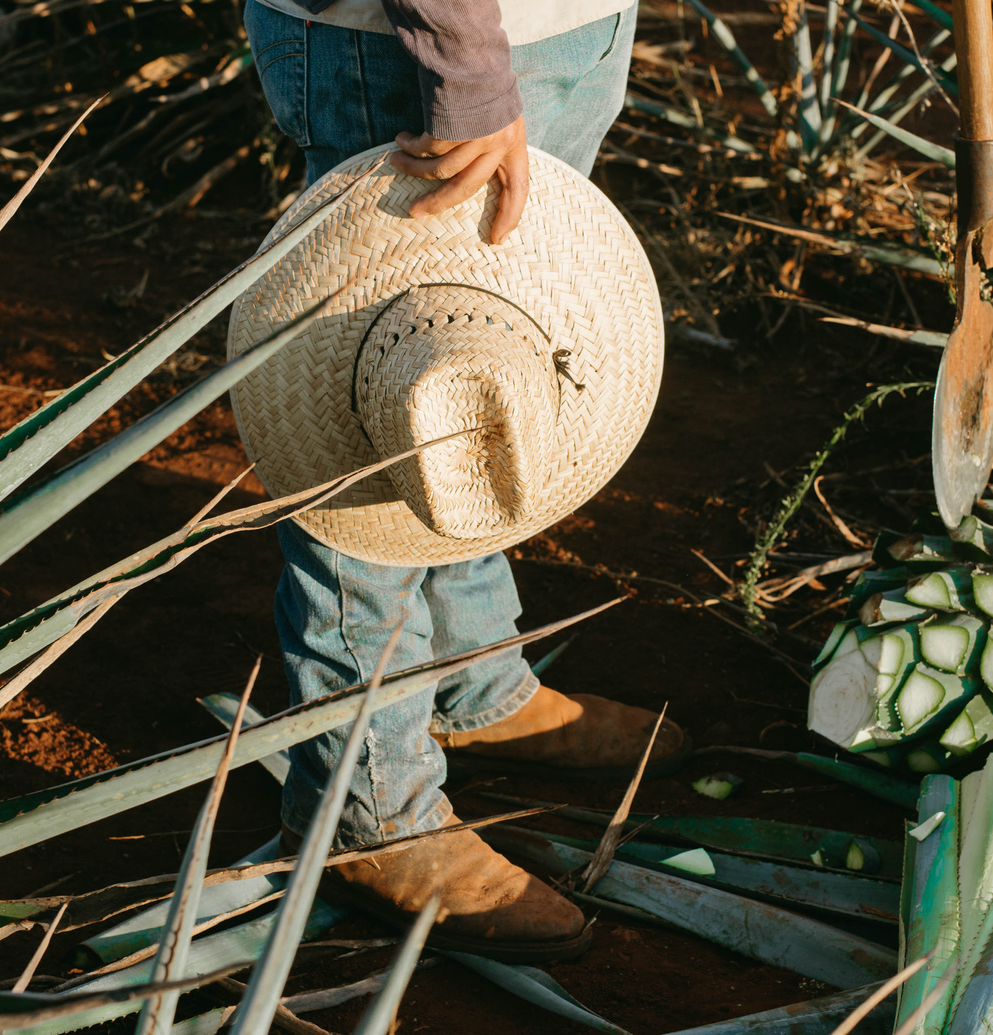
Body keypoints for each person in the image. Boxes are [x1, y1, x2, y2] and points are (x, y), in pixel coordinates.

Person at [240, 0, 690, 962]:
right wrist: (466, 67)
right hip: (417, 40)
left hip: (539, 29)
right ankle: (364, 809)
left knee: (490, 345)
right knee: (387, 391)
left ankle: (469, 676)